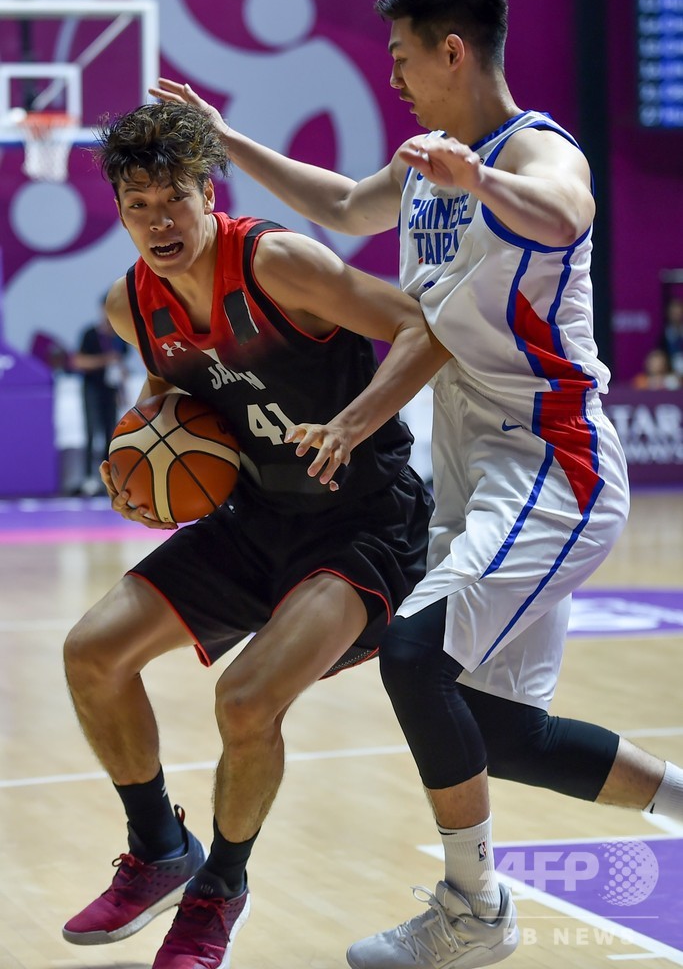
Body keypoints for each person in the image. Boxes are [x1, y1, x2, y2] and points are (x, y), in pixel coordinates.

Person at [153, 0, 683, 969]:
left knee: (411, 656)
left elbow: (566, 215)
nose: (391, 76)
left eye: (401, 58)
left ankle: (472, 911)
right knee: (494, 729)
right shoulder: (418, 164)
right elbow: (343, 205)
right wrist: (224, 138)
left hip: (550, 464)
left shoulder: (533, 150)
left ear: (451, 51)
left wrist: (477, 181)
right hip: (470, 470)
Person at [61, 100, 448, 968]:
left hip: (362, 520)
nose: (159, 222)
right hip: (255, 517)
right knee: (92, 654)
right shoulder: (131, 306)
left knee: (244, 700)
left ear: (210, 193)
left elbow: (422, 330)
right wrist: (140, 457)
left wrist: (351, 422)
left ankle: (219, 890)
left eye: (174, 199)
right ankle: (159, 849)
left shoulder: (277, 264)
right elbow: (180, 396)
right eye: (138, 206)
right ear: (119, 214)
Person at [70, 295, 128, 494]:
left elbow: (120, 365)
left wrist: (122, 391)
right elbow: (79, 362)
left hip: (111, 390)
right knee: (91, 431)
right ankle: (88, 477)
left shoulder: (119, 336)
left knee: (110, 432)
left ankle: (108, 479)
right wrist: (105, 360)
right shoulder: (90, 334)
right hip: (92, 388)